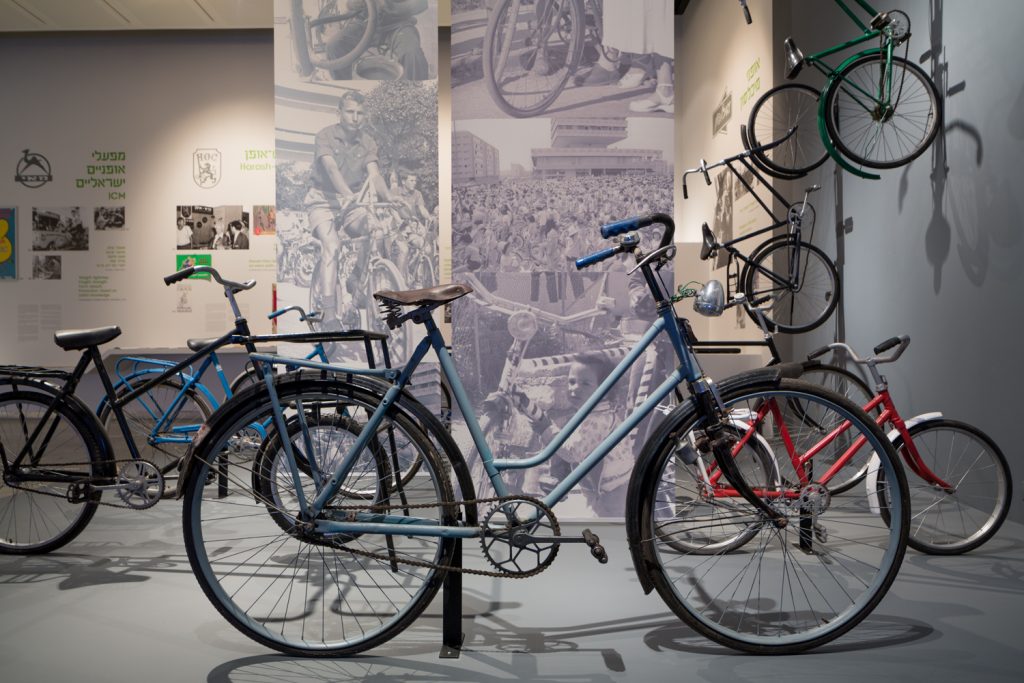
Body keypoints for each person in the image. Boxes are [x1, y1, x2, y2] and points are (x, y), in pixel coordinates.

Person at [304, 90, 393, 329]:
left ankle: (356, 280)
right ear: (340, 113)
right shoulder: (324, 136)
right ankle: (329, 314)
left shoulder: (368, 142)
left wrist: (390, 197)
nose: (355, 118)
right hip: (323, 200)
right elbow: (331, 169)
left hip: (352, 203)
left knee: (377, 231)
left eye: (360, 113)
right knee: (332, 246)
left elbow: (374, 175)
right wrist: (347, 195)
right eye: (350, 112)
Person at [323, 0, 430, 80]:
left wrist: (391, 7)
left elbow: (421, 4)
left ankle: (415, 94)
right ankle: (345, 88)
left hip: (398, 24)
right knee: (334, 46)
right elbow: (347, 4)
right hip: (364, 23)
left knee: (412, 53)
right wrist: (353, 4)